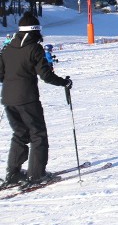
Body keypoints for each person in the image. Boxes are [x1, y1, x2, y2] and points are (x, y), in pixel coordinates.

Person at [0, 11, 72, 189]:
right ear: (36, 31)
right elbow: (46, 76)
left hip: (8, 98)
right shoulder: (34, 48)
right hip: (27, 98)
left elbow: (1, 75)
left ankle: (13, 173)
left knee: (20, 134)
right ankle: (37, 174)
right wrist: (64, 82)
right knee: (38, 134)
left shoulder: (7, 47)